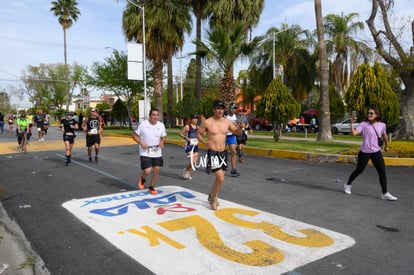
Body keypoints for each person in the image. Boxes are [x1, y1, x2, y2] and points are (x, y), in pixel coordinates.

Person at [196, 100, 243, 210]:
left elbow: (236, 132)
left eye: (222, 108)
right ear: (213, 109)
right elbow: (198, 134)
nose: (220, 110)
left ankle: (212, 194)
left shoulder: (226, 122)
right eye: (218, 108)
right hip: (213, 152)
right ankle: (213, 197)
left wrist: (240, 128)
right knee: (221, 178)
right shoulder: (207, 122)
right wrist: (204, 142)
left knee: (219, 179)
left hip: (223, 153)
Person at [344, 108, 397, 201]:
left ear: (376, 115)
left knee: (382, 171)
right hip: (364, 152)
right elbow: (354, 133)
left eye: (371, 113)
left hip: (376, 152)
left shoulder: (382, 125)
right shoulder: (363, 124)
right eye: (368, 113)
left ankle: (384, 193)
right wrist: (351, 123)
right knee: (359, 170)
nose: (369, 115)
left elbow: (384, 135)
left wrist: (387, 146)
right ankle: (348, 184)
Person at [132, 107, 167, 195]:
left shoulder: (161, 125)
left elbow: (163, 136)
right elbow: (134, 135)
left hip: (156, 151)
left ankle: (151, 187)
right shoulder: (143, 124)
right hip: (145, 151)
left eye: (157, 115)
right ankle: (142, 178)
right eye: (153, 115)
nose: (155, 117)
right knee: (147, 170)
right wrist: (141, 143)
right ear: (149, 116)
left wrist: (162, 141)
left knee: (157, 169)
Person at [179, 114, 200, 180]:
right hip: (189, 146)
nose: (196, 120)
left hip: (195, 146)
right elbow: (180, 133)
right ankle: (187, 172)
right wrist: (186, 138)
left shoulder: (198, 127)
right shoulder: (187, 127)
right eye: (194, 118)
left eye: (197, 118)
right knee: (192, 161)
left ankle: (187, 172)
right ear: (191, 120)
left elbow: (199, 135)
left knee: (194, 162)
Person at [224, 103, 241, 176]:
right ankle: (222, 164)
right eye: (233, 108)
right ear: (229, 109)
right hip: (223, 136)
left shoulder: (235, 116)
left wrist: (238, 126)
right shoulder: (225, 115)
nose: (234, 110)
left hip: (231, 136)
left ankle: (233, 169)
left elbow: (236, 124)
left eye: (235, 108)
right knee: (222, 152)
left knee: (233, 152)